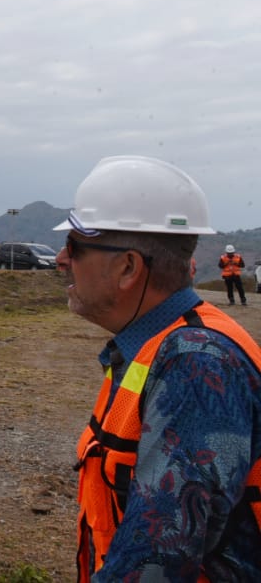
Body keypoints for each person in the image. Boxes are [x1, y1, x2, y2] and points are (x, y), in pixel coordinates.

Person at [53, 155, 261, 580]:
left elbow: (157, 561)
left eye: (74, 246)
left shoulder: (197, 364)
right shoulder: (152, 348)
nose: (60, 259)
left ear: (128, 267)